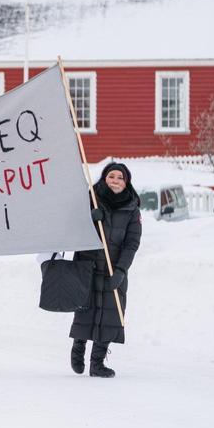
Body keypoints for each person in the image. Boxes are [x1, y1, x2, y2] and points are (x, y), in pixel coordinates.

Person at [70, 161, 142, 378]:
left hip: (114, 269)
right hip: (89, 265)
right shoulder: (91, 199)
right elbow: (72, 226)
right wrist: (89, 219)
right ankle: (78, 348)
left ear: (126, 182)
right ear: (104, 178)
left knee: (111, 315)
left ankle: (97, 363)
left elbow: (132, 243)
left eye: (120, 178)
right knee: (85, 310)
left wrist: (121, 271)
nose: (115, 181)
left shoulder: (132, 208)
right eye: (112, 176)